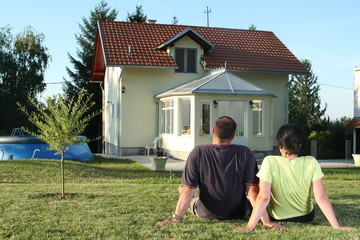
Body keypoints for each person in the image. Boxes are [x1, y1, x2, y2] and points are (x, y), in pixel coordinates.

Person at [155, 116, 283, 229]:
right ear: (234, 135)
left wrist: (176, 218)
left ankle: (190, 200)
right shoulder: (246, 153)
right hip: (240, 212)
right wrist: (267, 221)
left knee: (185, 189)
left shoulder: (198, 152)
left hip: (205, 212)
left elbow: (189, 190)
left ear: (212, 131)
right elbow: (252, 190)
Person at [234, 124, 356, 232]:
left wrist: (249, 227)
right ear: (300, 145)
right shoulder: (311, 162)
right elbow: (321, 197)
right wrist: (337, 226)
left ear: (280, 146)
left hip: (277, 217)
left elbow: (264, 197)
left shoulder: (269, 162)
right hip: (306, 217)